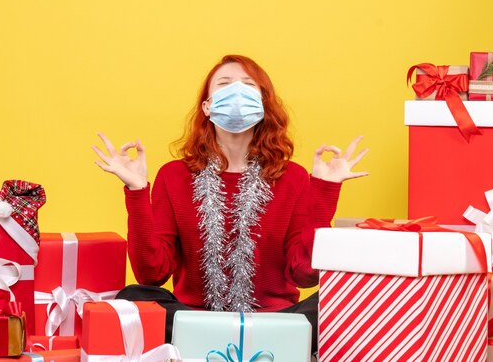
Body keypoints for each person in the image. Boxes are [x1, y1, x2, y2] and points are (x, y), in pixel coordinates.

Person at [92, 54, 368, 351]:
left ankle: (231, 343)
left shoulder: (293, 177)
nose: (236, 93)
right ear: (207, 107)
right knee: (134, 296)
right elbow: (152, 274)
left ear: (263, 105)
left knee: (342, 299)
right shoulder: (174, 176)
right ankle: (244, 344)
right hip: (195, 319)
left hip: (275, 320)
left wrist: (324, 191)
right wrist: (136, 190)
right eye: (224, 85)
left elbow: (306, 275)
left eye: (248, 86)